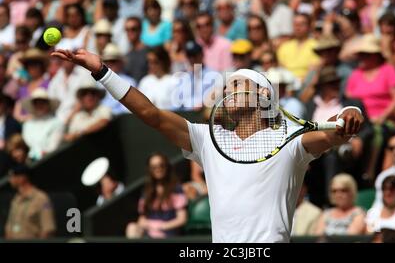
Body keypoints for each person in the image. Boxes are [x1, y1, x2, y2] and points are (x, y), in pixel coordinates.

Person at [52, 44, 364, 243]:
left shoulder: (289, 140)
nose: (228, 91)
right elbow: (151, 114)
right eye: (226, 86)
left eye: (238, 84)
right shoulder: (208, 139)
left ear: (265, 95)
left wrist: (351, 114)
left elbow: (332, 133)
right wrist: (102, 71)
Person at [126, 153, 188, 239]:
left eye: (161, 165)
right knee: (132, 227)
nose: (158, 169)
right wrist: (148, 225)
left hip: (167, 233)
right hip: (149, 231)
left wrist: (161, 226)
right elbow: (142, 218)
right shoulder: (147, 190)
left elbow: (182, 219)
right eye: (154, 167)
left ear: (167, 167)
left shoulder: (176, 188)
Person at [5, 164, 56, 239]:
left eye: (12, 176)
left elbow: (48, 229)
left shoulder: (42, 199)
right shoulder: (16, 199)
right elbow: (9, 227)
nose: (10, 180)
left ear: (22, 177)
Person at [22, 88, 63, 161]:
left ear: (48, 104)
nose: (39, 105)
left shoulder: (56, 122)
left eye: (42, 102)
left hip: (51, 159)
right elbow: (28, 143)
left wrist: (42, 153)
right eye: (36, 103)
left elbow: (53, 147)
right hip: (31, 160)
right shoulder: (27, 124)